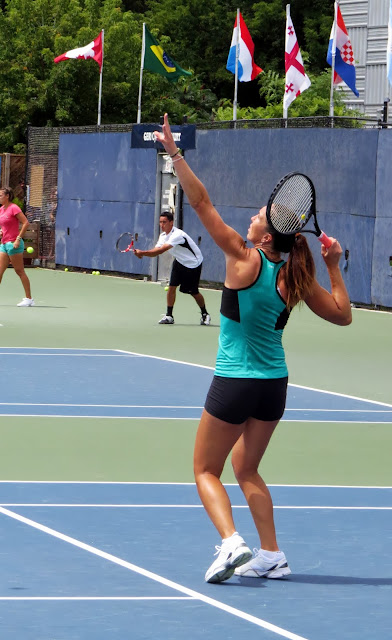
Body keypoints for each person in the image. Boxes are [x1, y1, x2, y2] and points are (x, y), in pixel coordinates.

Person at [154, 114, 352, 584]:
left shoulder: (245, 259)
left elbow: (200, 202)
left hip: (236, 380)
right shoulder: (299, 277)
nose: (252, 217)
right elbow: (343, 314)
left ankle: (230, 543)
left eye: (258, 217)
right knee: (247, 468)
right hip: (273, 389)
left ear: (266, 237)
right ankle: (273, 555)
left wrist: (175, 154)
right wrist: (335, 264)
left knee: (205, 469)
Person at [133, 210, 211, 325]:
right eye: (160, 222)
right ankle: (169, 316)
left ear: (171, 222)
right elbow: (156, 251)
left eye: (164, 222)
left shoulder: (177, 235)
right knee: (171, 288)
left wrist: (143, 253)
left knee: (193, 292)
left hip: (193, 264)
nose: (161, 225)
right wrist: (142, 254)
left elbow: (161, 250)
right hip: (179, 262)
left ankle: (205, 314)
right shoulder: (163, 236)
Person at [0, 186, 35, 307]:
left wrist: (18, 239)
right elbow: (4, 225)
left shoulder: (14, 208)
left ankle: (29, 299)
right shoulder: (1, 209)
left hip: (14, 244)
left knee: (19, 271)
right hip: (4, 244)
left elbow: (26, 223)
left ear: (7, 196)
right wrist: (1, 231)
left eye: (1, 195)